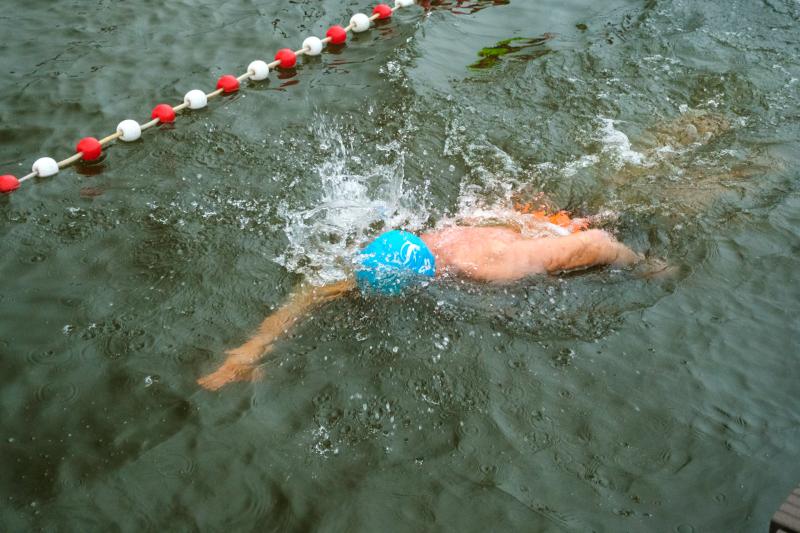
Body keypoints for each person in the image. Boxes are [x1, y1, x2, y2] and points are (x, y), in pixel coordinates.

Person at [197, 206, 642, 391]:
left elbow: (597, 244)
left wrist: (646, 266)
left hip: (563, 229)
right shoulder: (412, 248)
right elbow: (314, 292)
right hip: (514, 222)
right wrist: (250, 349)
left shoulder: (488, 266)